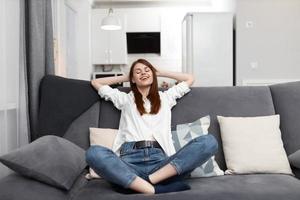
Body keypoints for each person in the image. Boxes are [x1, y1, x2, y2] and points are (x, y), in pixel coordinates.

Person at [86, 58, 218, 194]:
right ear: (132, 79)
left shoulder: (166, 98)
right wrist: (127, 76)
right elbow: (96, 82)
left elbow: (190, 78)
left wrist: (159, 73)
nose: (143, 73)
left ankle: (142, 183)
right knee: (94, 153)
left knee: (209, 142)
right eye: (138, 72)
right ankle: (151, 188)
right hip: (129, 162)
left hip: (162, 166)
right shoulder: (125, 99)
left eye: (147, 70)